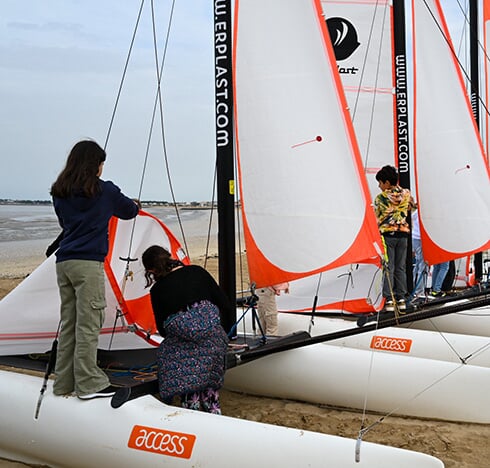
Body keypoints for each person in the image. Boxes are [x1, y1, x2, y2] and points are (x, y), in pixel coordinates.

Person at [51, 140, 139, 399]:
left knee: (70, 323)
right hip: (88, 265)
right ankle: (88, 383)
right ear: (96, 165)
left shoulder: (60, 191)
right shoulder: (106, 191)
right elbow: (129, 211)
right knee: (88, 324)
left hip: (64, 262)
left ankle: (63, 382)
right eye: (101, 163)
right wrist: (135, 203)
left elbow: (64, 224)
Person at [142, 245, 230, 414]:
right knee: (208, 384)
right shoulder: (197, 271)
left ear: (151, 270)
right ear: (169, 257)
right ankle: (214, 411)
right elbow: (224, 303)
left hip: (185, 354)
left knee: (179, 366)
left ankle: (191, 411)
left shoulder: (157, 290)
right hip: (214, 343)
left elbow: (163, 330)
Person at [374, 165, 415, 312]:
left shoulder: (381, 198)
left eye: (380, 183)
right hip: (403, 235)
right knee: (401, 268)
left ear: (386, 182)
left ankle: (390, 300)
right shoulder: (406, 193)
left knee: (388, 268)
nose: (379, 186)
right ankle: (401, 299)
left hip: (387, 236)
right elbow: (412, 207)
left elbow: (376, 217)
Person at [411, 209, 428, 300]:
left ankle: (414, 287)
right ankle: (419, 291)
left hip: (415, 237)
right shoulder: (425, 211)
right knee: (422, 265)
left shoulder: (417, 211)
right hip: (421, 239)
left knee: (418, 264)